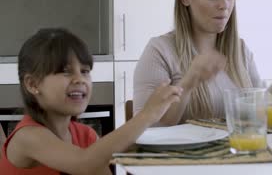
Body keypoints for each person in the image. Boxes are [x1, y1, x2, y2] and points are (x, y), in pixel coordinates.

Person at [0, 28, 182, 174]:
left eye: (85, 71)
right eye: (65, 71)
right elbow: (84, 163)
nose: (80, 79)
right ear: (32, 84)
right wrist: (147, 115)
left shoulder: (86, 135)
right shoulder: (28, 137)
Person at [133, 0, 266, 126]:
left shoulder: (240, 50)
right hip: (180, 154)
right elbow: (145, 131)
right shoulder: (160, 51)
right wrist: (188, 83)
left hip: (235, 152)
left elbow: (259, 118)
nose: (224, 5)